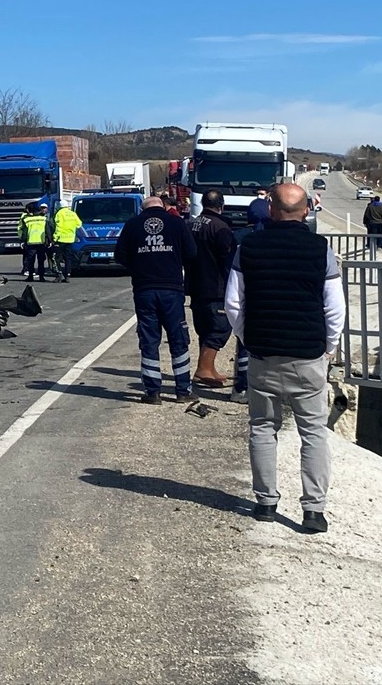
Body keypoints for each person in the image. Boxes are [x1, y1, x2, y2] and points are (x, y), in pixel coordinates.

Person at [225, 183, 346, 534]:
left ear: (271, 211)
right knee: (313, 433)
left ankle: (265, 503)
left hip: (263, 354)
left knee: (263, 428)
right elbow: (334, 308)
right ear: (306, 211)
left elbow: (233, 303)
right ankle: (313, 511)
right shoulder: (320, 248)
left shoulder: (247, 247)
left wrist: (249, 337)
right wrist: (329, 347)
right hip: (308, 356)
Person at [115, 195, 197, 404]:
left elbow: (120, 256)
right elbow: (191, 252)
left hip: (144, 289)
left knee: (149, 340)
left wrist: (139, 267)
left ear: (143, 209)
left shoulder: (132, 225)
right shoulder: (176, 223)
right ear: (162, 206)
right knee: (178, 338)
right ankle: (183, 390)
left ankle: (153, 392)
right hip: (171, 288)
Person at [186, 190, 237, 386]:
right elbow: (227, 260)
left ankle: (209, 369)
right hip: (216, 286)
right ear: (221, 206)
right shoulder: (220, 227)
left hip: (195, 285)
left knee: (204, 329)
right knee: (220, 327)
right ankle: (204, 368)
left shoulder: (190, 224)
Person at [51, 201, 83, 283]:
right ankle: (68, 275)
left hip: (61, 239)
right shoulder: (72, 213)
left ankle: (59, 275)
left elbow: (58, 227)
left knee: (55, 258)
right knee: (68, 258)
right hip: (70, 239)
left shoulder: (59, 214)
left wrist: (55, 238)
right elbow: (79, 224)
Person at [19, 203, 50, 282]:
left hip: (31, 243)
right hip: (41, 243)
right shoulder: (44, 219)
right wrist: (50, 241)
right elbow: (47, 231)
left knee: (31, 261)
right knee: (41, 261)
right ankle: (41, 277)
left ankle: (30, 276)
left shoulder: (27, 220)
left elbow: (25, 232)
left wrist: (22, 241)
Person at [18, 202, 38, 278]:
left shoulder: (29, 216)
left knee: (29, 255)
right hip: (28, 238)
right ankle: (26, 269)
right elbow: (24, 228)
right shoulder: (25, 216)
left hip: (30, 238)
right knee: (27, 255)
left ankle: (27, 270)